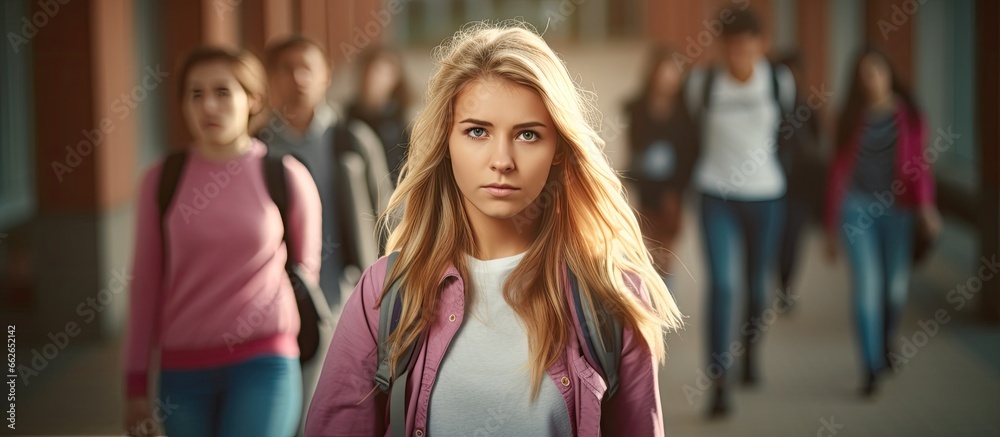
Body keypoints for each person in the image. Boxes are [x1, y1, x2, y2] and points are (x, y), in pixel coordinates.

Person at [304, 21, 683, 436]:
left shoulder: (610, 296)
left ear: (558, 150)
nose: (502, 159)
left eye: (527, 134)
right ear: (445, 143)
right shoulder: (384, 294)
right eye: (477, 131)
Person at [123, 47, 322, 437]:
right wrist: (134, 384)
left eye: (222, 92)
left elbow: (306, 273)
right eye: (195, 94)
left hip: (265, 362)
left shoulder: (286, 176)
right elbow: (145, 285)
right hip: (182, 373)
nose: (208, 106)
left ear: (252, 99)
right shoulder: (162, 180)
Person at [682, 8, 796, 417]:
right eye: (732, 47)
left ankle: (750, 352)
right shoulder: (703, 83)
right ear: (721, 47)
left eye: (748, 45)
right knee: (724, 286)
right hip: (716, 197)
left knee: (756, 287)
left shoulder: (779, 81)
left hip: (767, 197)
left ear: (761, 44)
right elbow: (687, 136)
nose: (740, 55)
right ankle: (719, 381)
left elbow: (787, 135)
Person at [824, 46, 939, 398]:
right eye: (864, 73)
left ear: (889, 73)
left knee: (894, 289)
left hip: (898, 210)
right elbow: (836, 173)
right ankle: (870, 366)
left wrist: (926, 208)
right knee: (866, 288)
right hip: (857, 211)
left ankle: (886, 338)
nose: (871, 78)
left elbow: (919, 165)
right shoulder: (850, 117)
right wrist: (830, 227)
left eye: (876, 70)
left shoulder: (909, 116)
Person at [260, 36, 393, 306]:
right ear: (270, 78)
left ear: (327, 75)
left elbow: (388, 217)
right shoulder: (259, 147)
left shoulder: (354, 140)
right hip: (275, 303)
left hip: (351, 298)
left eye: (307, 68)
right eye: (286, 69)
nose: (298, 78)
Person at [625, 44, 698, 282]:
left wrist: (676, 193)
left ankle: (666, 313)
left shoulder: (685, 113)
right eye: (663, 72)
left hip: (672, 197)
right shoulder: (635, 108)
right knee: (644, 258)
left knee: (665, 260)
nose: (668, 80)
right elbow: (633, 153)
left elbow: (690, 156)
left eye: (673, 73)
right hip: (645, 194)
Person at [773, 49, 826, 313]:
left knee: (793, 239)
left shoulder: (807, 109)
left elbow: (816, 148)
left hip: (800, 188)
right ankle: (774, 281)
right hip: (772, 188)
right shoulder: (770, 108)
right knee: (774, 239)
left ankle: (786, 286)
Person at [346, 46, 413, 186]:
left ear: (394, 79)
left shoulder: (404, 121)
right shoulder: (345, 119)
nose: (372, 79)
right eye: (368, 71)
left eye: (380, 73)